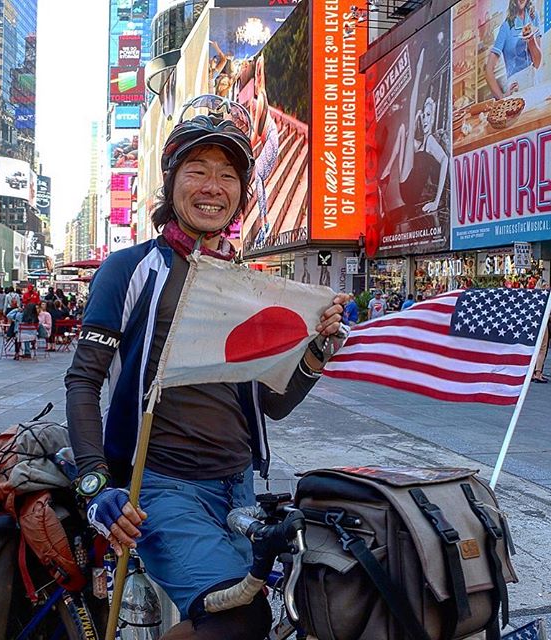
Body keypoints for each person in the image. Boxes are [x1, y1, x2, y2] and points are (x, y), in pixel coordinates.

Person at [65, 107, 348, 640]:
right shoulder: (129, 270)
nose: (213, 186)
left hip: (241, 487)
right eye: (197, 169)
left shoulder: (245, 284)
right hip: (161, 489)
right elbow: (83, 381)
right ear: (170, 182)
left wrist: (316, 353)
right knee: (237, 619)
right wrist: (96, 482)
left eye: (228, 174)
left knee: (289, 610)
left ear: (242, 191)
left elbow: (271, 405)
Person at [379, 49, 448, 216]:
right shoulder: (422, 142)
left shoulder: (431, 142)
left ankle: (385, 174)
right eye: (424, 115)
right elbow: (414, 118)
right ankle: (386, 172)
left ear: (433, 119)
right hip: (406, 185)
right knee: (403, 129)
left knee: (408, 126)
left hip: (410, 192)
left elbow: (446, 160)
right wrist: (418, 116)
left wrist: (436, 202)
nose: (425, 119)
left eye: (428, 115)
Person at [486, 0, 542, 99]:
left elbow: (537, 63)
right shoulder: (506, 27)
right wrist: (502, 98)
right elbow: (489, 70)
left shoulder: (533, 17)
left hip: (533, 79)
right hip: (516, 86)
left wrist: (531, 40)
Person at [250, 55, 279, 247]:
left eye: (259, 74)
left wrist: (244, 149)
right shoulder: (258, 97)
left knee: (258, 174)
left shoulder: (261, 98)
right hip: (267, 139)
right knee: (257, 176)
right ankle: (264, 222)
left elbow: (255, 134)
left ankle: (264, 222)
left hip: (271, 140)